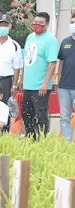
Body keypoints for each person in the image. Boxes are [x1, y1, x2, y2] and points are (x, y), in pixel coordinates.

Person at [20, 11, 59, 139]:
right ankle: (30, 138)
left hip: (40, 86)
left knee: (41, 115)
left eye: (41, 23)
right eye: (35, 23)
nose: (37, 25)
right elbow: (27, 59)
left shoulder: (50, 40)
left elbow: (52, 63)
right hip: (28, 84)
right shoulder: (30, 37)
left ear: (47, 24)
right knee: (27, 114)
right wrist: (22, 78)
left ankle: (42, 140)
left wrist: (45, 83)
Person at [56, 12, 75, 142]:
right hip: (64, 86)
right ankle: (67, 145)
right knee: (64, 117)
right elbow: (61, 62)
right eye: (73, 22)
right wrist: (58, 80)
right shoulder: (65, 42)